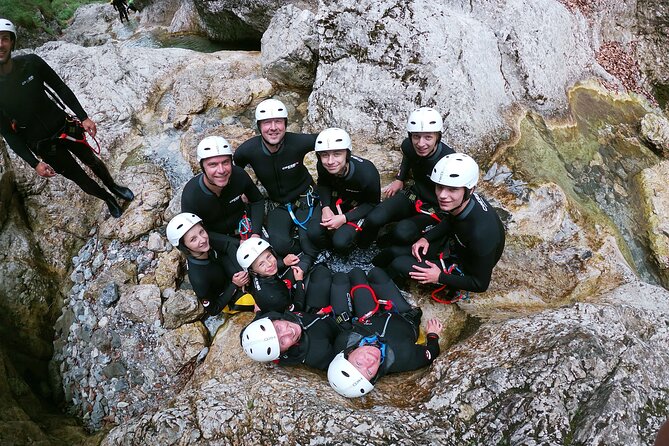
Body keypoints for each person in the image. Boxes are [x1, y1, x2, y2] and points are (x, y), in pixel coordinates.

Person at [0, 19, 134, 218]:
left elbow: (60, 87)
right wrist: (34, 163)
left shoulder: (31, 63)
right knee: (79, 178)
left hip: (63, 125)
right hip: (41, 143)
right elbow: (8, 134)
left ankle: (113, 186)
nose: (0, 45)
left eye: (4, 39)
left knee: (92, 161)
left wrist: (84, 117)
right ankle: (107, 198)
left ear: (12, 42)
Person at [374, 153, 506, 302]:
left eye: (452, 190)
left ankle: (382, 290)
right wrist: (426, 238)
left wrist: (439, 277)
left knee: (399, 265)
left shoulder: (480, 234)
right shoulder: (466, 201)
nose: (442, 195)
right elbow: (451, 221)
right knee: (392, 252)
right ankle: (368, 273)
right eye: (440, 187)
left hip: (462, 267)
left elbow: (480, 284)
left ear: (470, 190)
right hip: (457, 246)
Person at [327, 267, 443, 398]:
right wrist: (432, 335)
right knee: (377, 274)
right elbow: (432, 353)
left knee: (357, 273)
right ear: (375, 376)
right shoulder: (404, 358)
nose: (370, 361)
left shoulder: (344, 341)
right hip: (405, 317)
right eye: (370, 372)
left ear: (348, 354)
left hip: (370, 316)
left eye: (359, 364)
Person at [234, 98, 320, 272]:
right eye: (267, 123)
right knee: (279, 245)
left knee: (313, 237)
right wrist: (243, 190)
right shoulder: (248, 150)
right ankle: (299, 249)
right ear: (259, 127)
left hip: (306, 197)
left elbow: (327, 141)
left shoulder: (297, 143)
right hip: (278, 204)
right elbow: (237, 168)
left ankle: (308, 256)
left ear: (285, 124)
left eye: (278, 122)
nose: (273, 127)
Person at [360, 107, 455, 247]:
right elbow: (408, 157)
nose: (421, 144)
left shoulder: (449, 162)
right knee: (374, 218)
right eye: (416, 136)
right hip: (413, 195)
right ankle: (360, 251)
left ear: (437, 137)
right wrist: (400, 178)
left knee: (402, 232)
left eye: (428, 137)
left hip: (435, 209)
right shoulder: (409, 146)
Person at [239, 265, 343, 370]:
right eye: (282, 342)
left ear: (273, 320)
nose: (288, 332)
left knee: (321, 272)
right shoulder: (317, 355)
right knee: (341, 279)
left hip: (312, 314)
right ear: (282, 352)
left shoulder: (268, 318)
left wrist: (299, 282)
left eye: (278, 329)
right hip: (340, 325)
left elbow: (252, 324)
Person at [308, 127, 380, 255]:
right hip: (337, 200)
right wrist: (325, 207)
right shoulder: (322, 165)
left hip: (358, 206)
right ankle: (329, 253)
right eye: (324, 155)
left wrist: (345, 218)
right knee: (314, 232)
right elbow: (323, 183)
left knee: (341, 242)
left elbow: (373, 204)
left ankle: (348, 250)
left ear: (347, 154)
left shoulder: (367, 173)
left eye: (337, 154)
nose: (330, 161)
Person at [166, 213, 255, 316]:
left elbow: (229, 245)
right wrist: (235, 285)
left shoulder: (206, 244)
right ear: (184, 247)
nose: (203, 239)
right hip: (225, 294)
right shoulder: (198, 278)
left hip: (225, 272)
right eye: (193, 239)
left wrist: (242, 271)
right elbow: (213, 310)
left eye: (201, 231)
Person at [181, 135, 265, 239]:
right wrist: (230, 244)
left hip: (246, 228)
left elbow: (257, 201)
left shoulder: (239, 175)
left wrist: (255, 234)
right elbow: (192, 232)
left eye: (225, 162)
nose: (221, 170)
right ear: (203, 167)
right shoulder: (191, 194)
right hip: (216, 240)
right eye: (213, 165)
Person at [236, 237, 308, 314]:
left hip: (274, 293)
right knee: (306, 263)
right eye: (261, 264)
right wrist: (299, 282)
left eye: (269, 256)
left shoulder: (253, 275)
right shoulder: (275, 298)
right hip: (284, 307)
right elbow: (298, 307)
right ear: (253, 271)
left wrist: (284, 263)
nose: (269, 264)